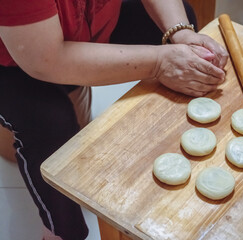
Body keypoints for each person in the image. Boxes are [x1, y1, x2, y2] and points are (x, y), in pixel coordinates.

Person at [0, 0, 228, 239]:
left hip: (82, 28)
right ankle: (61, 232)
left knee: (179, 20)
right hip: (18, 58)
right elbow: (45, 59)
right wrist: (159, 63)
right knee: (49, 121)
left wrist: (181, 32)